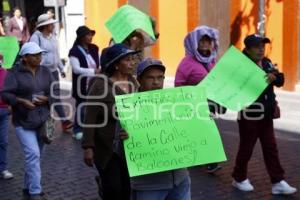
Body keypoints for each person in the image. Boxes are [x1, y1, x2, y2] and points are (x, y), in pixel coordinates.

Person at [231, 34, 297, 195]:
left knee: (271, 148)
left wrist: (274, 77)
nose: (261, 49)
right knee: (246, 148)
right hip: (250, 115)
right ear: (247, 49)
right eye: (257, 46)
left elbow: (280, 79)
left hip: (266, 114)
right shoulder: (240, 66)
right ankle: (239, 178)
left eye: (263, 46)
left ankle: (278, 181)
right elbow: (233, 88)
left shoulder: (266, 62)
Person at [1, 42, 58, 200]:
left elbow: (55, 90)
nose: (39, 57)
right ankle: (35, 192)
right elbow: (5, 94)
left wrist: (47, 98)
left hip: (43, 121)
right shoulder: (14, 73)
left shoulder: (45, 71)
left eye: (40, 54)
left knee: (36, 156)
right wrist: (20, 101)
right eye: (35, 55)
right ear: (25, 58)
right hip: (23, 121)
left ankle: (27, 188)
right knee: (33, 154)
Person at [82, 44, 139, 200]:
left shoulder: (134, 83)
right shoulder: (100, 85)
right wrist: (88, 147)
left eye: (133, 59)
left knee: (126, 188)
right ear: (116, 64)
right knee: (114, 189)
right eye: (128, 60)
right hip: (106, 147)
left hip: (127, 146)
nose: (132, 63)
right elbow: (90, 118)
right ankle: (104, 185)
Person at [128, 58, 191, 200]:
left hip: (180, 180)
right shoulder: (129, 108)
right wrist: (123, 140)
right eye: (150, 78)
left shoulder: (175, 102)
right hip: (149, 186)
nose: (156, 82)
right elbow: (119, 151)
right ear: (139, 79)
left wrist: (201, 123)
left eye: (159, 78)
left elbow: (188, 135)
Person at [174, 25, 224, 174]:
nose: (205, 44)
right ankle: (210, 162)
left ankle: (200, 158)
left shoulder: (211, 60)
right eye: (202, 41)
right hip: (192, 104)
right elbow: (179, 83)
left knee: (200, 132)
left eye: (208, 41)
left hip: (208, 103)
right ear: (195, 43)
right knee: (206, 132)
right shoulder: (186, 62)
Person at [30, 14, 72, 133]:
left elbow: (56, 55)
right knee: (50, 98)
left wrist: (61, 68)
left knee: (55, 97)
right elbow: (33, 56)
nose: (53, 25)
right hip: (42, 72)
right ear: (45, 25)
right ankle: (56, 122)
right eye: (51, 23)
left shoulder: (53, 36)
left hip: (54, 71)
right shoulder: (36, 37)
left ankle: (62, 122)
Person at [69, 26, 101, 140]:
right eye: (88, 35)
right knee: (81, 106)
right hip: (81, 83)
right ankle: (77, 129)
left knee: (93, 106)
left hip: (94, 83)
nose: (90, 37)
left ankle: (91, 129)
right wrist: (94, 71)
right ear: (81, 37)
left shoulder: (94, 48)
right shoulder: (74, 51)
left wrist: (99, 70)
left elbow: (99, 62)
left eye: (91, 34)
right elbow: (76, 69)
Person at [0, 53, 14, 180]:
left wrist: (10, 104)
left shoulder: (5, 73)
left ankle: (3, 169)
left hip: (4, 111)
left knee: (3, 141)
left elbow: (10, 91)